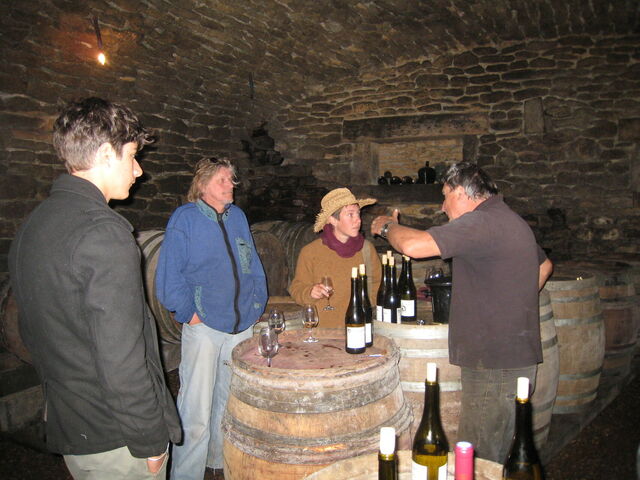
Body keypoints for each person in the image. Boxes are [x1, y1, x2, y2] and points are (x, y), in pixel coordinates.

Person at [8, 97, 181, 479]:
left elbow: (33, 332)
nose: (138, 170)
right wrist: (150, 438)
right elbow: (122, 356)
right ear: (105, 154)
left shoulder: (35, 225)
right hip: (117, 437)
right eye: (132, 155)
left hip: (72, 423)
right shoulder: (104, 233)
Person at [371, 162, 553, 463]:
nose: (442, 207)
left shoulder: (481, 222)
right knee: (497, 452)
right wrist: (511, 304)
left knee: (477, 458)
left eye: (445, 196)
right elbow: (544, 266)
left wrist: (386, 226)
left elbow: (414, 246)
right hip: (510, 359)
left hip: (493, 363)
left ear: (461, 192)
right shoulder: (509, 220)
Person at [155, 157, 268, 480]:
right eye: (222, 180)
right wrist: (189, 314)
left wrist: (256, 303)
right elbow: (168, 276)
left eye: (231, 179)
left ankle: (218, 466)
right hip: (203, 326)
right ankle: (186, 474)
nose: (231, 185)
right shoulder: (185, 218)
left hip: (240, 325)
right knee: (196, 410)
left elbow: (252, 264)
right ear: (203, 185)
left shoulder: (238, 217)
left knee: (228, 402)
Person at [289, 187, 382, 328]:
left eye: (358, 214)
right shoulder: (310, 252)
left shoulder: (367, 250)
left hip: (359, 327)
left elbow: (378, 285)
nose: (358, 220)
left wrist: (365, 306)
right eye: (350, 215)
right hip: (322, 331)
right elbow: (296, 288)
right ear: (332, 220)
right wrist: (310, 292)